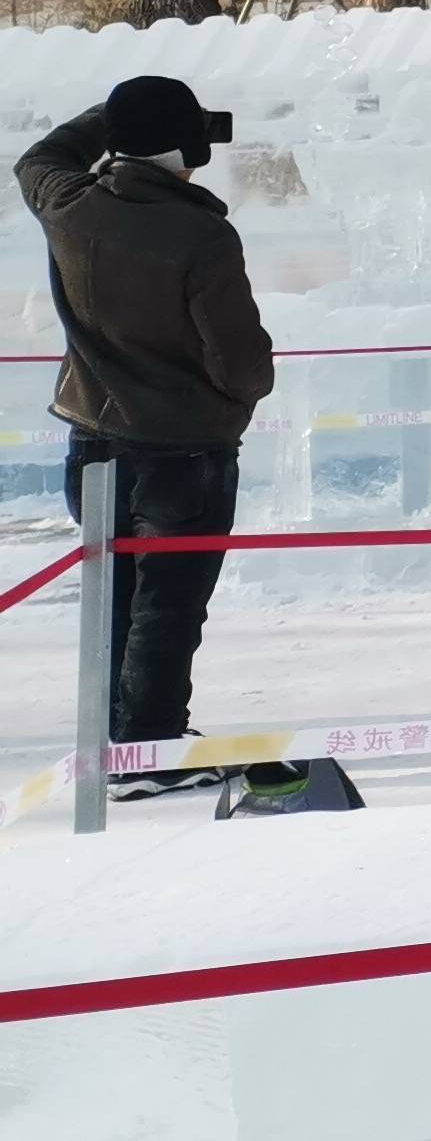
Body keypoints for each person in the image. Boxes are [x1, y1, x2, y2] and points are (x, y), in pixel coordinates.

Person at [17, 75, 276, 796]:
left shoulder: (68, 205)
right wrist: (245, 391)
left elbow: (39, 155)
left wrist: (115, 115)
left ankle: (118, 737)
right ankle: (148, 749)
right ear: (186, 147)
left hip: (92, 440)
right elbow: (240, 360)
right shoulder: (202, 234)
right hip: (184, 451)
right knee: (167, 605)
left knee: (117, 597)